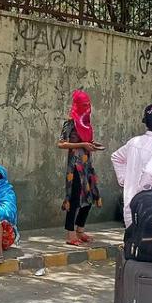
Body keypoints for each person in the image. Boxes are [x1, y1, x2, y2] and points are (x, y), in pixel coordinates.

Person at [111, 104, 152, 228]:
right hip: (149, 204)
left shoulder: (134, 142)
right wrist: (144, 192)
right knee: (149, 243)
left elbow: (116, 157)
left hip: (129, 202)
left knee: (132, 240)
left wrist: (124, 180)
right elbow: (149, 172)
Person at [58, 89, 103, 246]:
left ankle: (80, 230)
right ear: (77, 105)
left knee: (90, 198)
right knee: (75, 200)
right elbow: (61, 143)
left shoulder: (86, 124)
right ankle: (70, 234)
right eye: (84, 105)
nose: (87, 108)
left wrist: (91, 144)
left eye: (88, 105)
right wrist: (82, 144)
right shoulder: (70, 123)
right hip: (75, 168)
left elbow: (86, 141)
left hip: (87, 167)